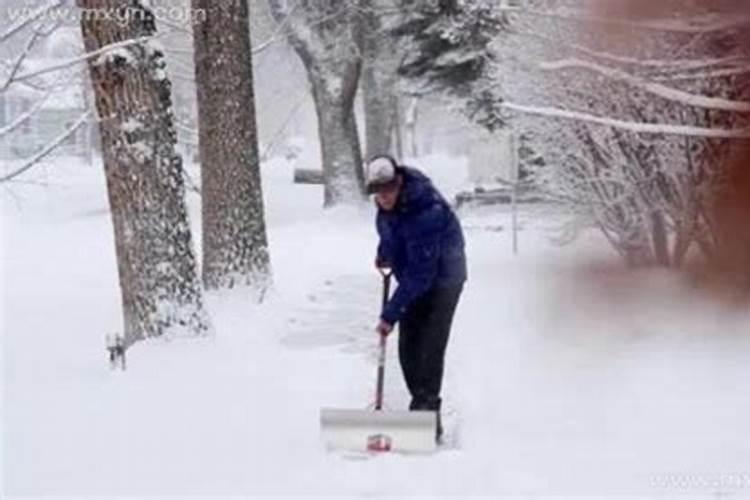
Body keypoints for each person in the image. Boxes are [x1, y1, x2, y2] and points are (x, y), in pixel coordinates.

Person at [366, 154, 467, 442]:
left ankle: (426, 419)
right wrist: (385, 253)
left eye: (388, 191)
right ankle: (419, 409)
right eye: (377, 193)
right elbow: (391, 233)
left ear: (399, 184)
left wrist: (390, 313)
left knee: (429, 349)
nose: (383, 198)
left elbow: (422, 275)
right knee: (408, 349)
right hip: (415, 278)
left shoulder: (427, 211)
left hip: (445, 281)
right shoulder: (386, 207)